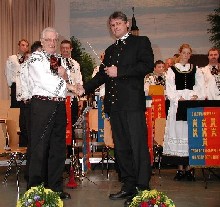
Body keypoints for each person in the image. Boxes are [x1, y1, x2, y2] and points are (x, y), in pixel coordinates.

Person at [76, 11, 154, 207]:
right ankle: (128, 186)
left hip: (133, 105)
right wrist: (83, 88)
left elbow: (147, 65)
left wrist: (120, 72)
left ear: (127, 24)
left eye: (118, 23)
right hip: (115, 106)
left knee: (138, 147)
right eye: (112, 25)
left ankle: (142, 189)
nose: (115, 27)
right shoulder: (110, 50)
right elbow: (102, 76)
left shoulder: (141, 42)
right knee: (122, 148)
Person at [27, 27, 76, 199]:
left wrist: (65, 76)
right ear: (42, 41)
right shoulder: (35, 58)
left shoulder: (57, 60)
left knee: (58, 148)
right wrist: (68, 84)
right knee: (39, 148)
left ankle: (55, 187)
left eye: (54, 40)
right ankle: (34, 189)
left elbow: (66, 77)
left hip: (59, 105)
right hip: (42, 105)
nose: (52, 43)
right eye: (48, 40)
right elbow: (44, 80)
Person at [163, 43, 205, 181]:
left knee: (190, 134)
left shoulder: (195, 69)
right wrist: (177, 98)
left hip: (191, 103)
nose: (186, 55)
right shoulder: (172, 70)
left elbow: (200, 86)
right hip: (178, 104)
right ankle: (180, 169)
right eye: (184, 52)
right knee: (179, 132)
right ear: (179, 53)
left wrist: (196, 95)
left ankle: (189, 169)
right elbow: (169, 88)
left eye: (188, 53)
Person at [60, 39, 83, 156]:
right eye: (63, 48)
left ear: (71, 49)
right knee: (61, 127)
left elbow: (79, 82)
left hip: (73, 99)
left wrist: (80, 99)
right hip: (61, 100)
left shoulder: (75, 64)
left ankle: (71, 153)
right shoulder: (56, 62)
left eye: (67, 48)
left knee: (72, 125)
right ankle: (60, 154)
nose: (65, 50)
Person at [5, 39, 30, 147]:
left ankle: (25, 142)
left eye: (26, 46)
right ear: (19, 46)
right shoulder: (12, 58)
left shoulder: (29, 59)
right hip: (16, 87)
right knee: (17, 113)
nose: (24, 47)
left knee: (25, 115)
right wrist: (12, 85)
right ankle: (15, 141)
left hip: (26, 88)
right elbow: (7, 72)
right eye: (22, 45)